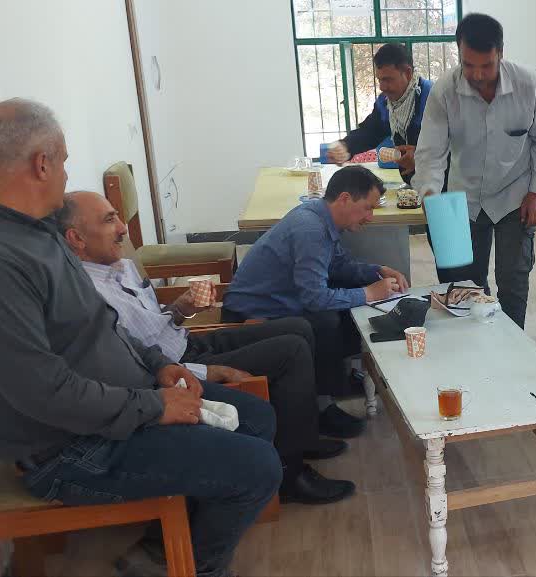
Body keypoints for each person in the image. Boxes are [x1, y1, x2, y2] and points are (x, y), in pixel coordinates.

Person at [0, 98, 278, 577]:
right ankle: (194, 567)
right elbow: (44, 394)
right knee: (256, 467)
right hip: (72, 450)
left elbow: (102, 322)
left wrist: (158, 364)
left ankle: (167, 549)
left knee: (256, 418)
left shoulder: (34, 231)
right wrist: (154, 406)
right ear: (41, 164)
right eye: (64, 161)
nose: (66, 174)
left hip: (119, 404)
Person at [56, 190, 359, 504]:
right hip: (176, 368)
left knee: (299, 327)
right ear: (77, 238)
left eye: (118, 216)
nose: (122, 228)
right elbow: (132, 363)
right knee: (291, 351)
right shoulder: (86, 297)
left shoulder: (119, 265)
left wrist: (181, 308)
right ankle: (290, 475)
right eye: (109, 220)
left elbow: (149, 326)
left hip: (186, 341)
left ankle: (306, 433)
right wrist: (206, 371)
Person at [412, 13, 536, 328]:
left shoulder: (528, 84)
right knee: (465, 286)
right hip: (463, 199)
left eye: (487, 65)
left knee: (513, 281)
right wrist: (430, 193)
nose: (477, 75)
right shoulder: (445, 91)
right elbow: (430, 152)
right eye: (468, 65)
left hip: (514, 196)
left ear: (501, 54)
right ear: (458, 54)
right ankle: (477, 348)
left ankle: (514, 346)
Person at [223, 165, 409, 393]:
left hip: (280, 298)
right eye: (367, 208)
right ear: (345, 199)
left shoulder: (320, 214)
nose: (370, 217)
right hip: (252, 311)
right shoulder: (310, 229)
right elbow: (314, 299)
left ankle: (338, 377)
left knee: (350, 297)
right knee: (327, 319)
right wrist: (369, 293)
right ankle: (325, 395)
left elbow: (337, 265)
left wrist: (378, 271)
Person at [322, 43, 432, 184]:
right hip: (415, 184)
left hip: (445, 185)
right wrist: (346, 146)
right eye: (379, 80)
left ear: (408, 73)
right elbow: (370, 132)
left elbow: (454, 143)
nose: (382, 87)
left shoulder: (432, 98)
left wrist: (422, 156)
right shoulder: (385, 103)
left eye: (388, 79)